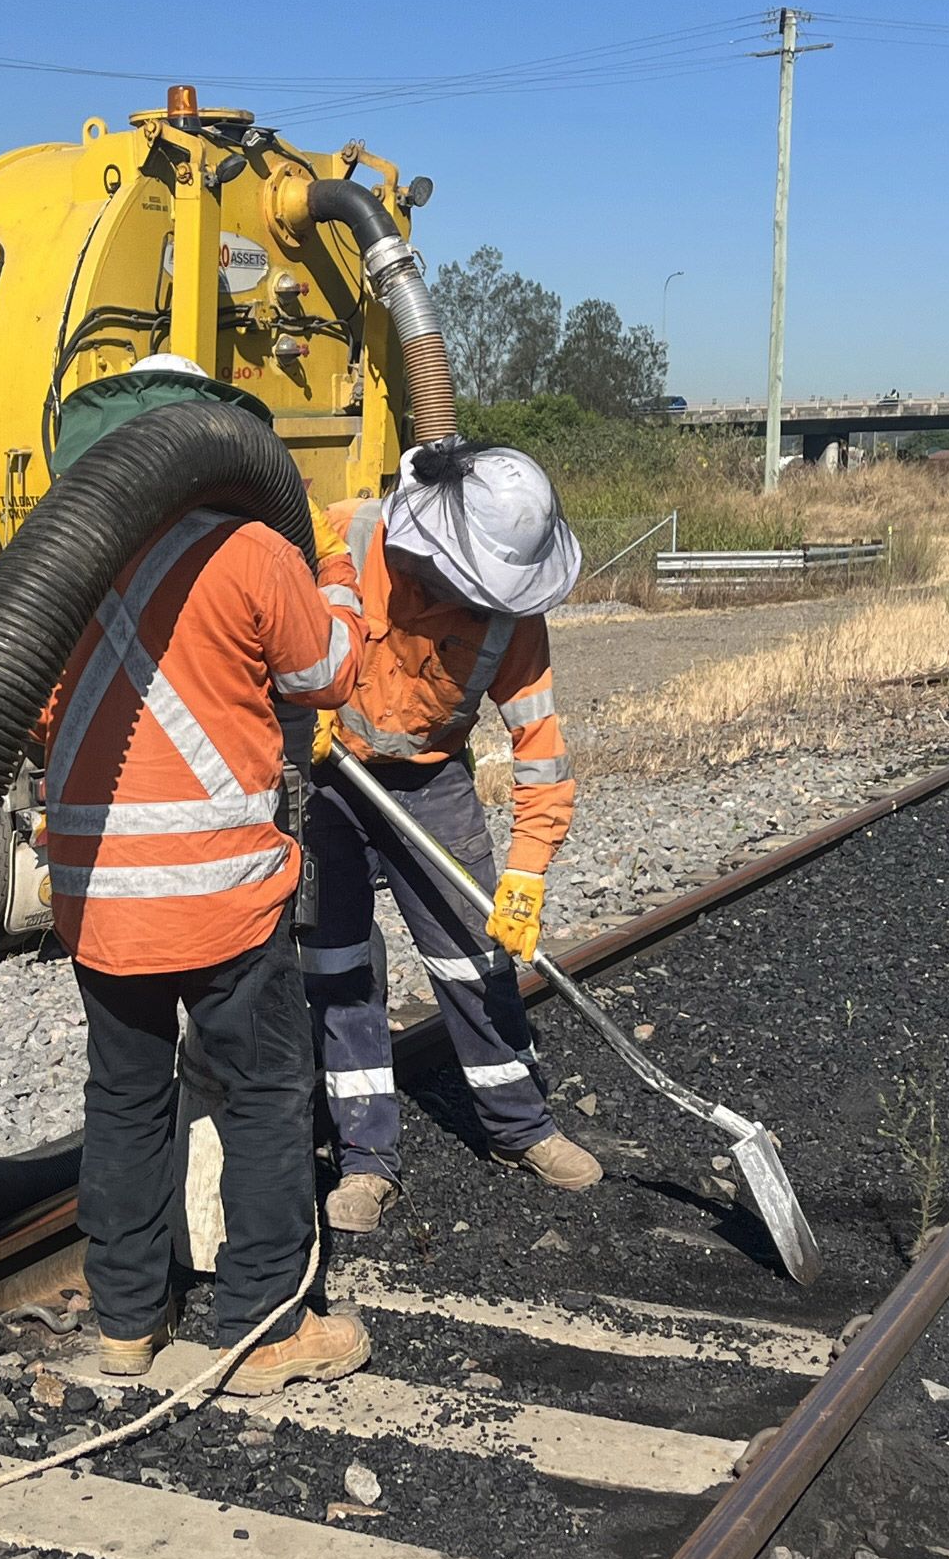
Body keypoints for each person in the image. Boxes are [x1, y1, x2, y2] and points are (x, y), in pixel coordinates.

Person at [41, 354, 372, 1390]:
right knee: (266, 1094)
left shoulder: (51, 559)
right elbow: (329, 676)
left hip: (100, 903)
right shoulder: (249, 551)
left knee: (125, 1100)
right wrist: (338, 579)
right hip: (225, 895)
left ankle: (127, 1321)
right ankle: (270, 1324)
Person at [303, 436, 601, 1234]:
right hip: (327, 782)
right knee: (337, 971)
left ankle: (518, 1126)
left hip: (432, 784)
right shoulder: (343, 539)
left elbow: (542, 756)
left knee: (475, 954)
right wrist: (294, 704)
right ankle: (366, 1158)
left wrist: (529, 873)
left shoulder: (510, 621)